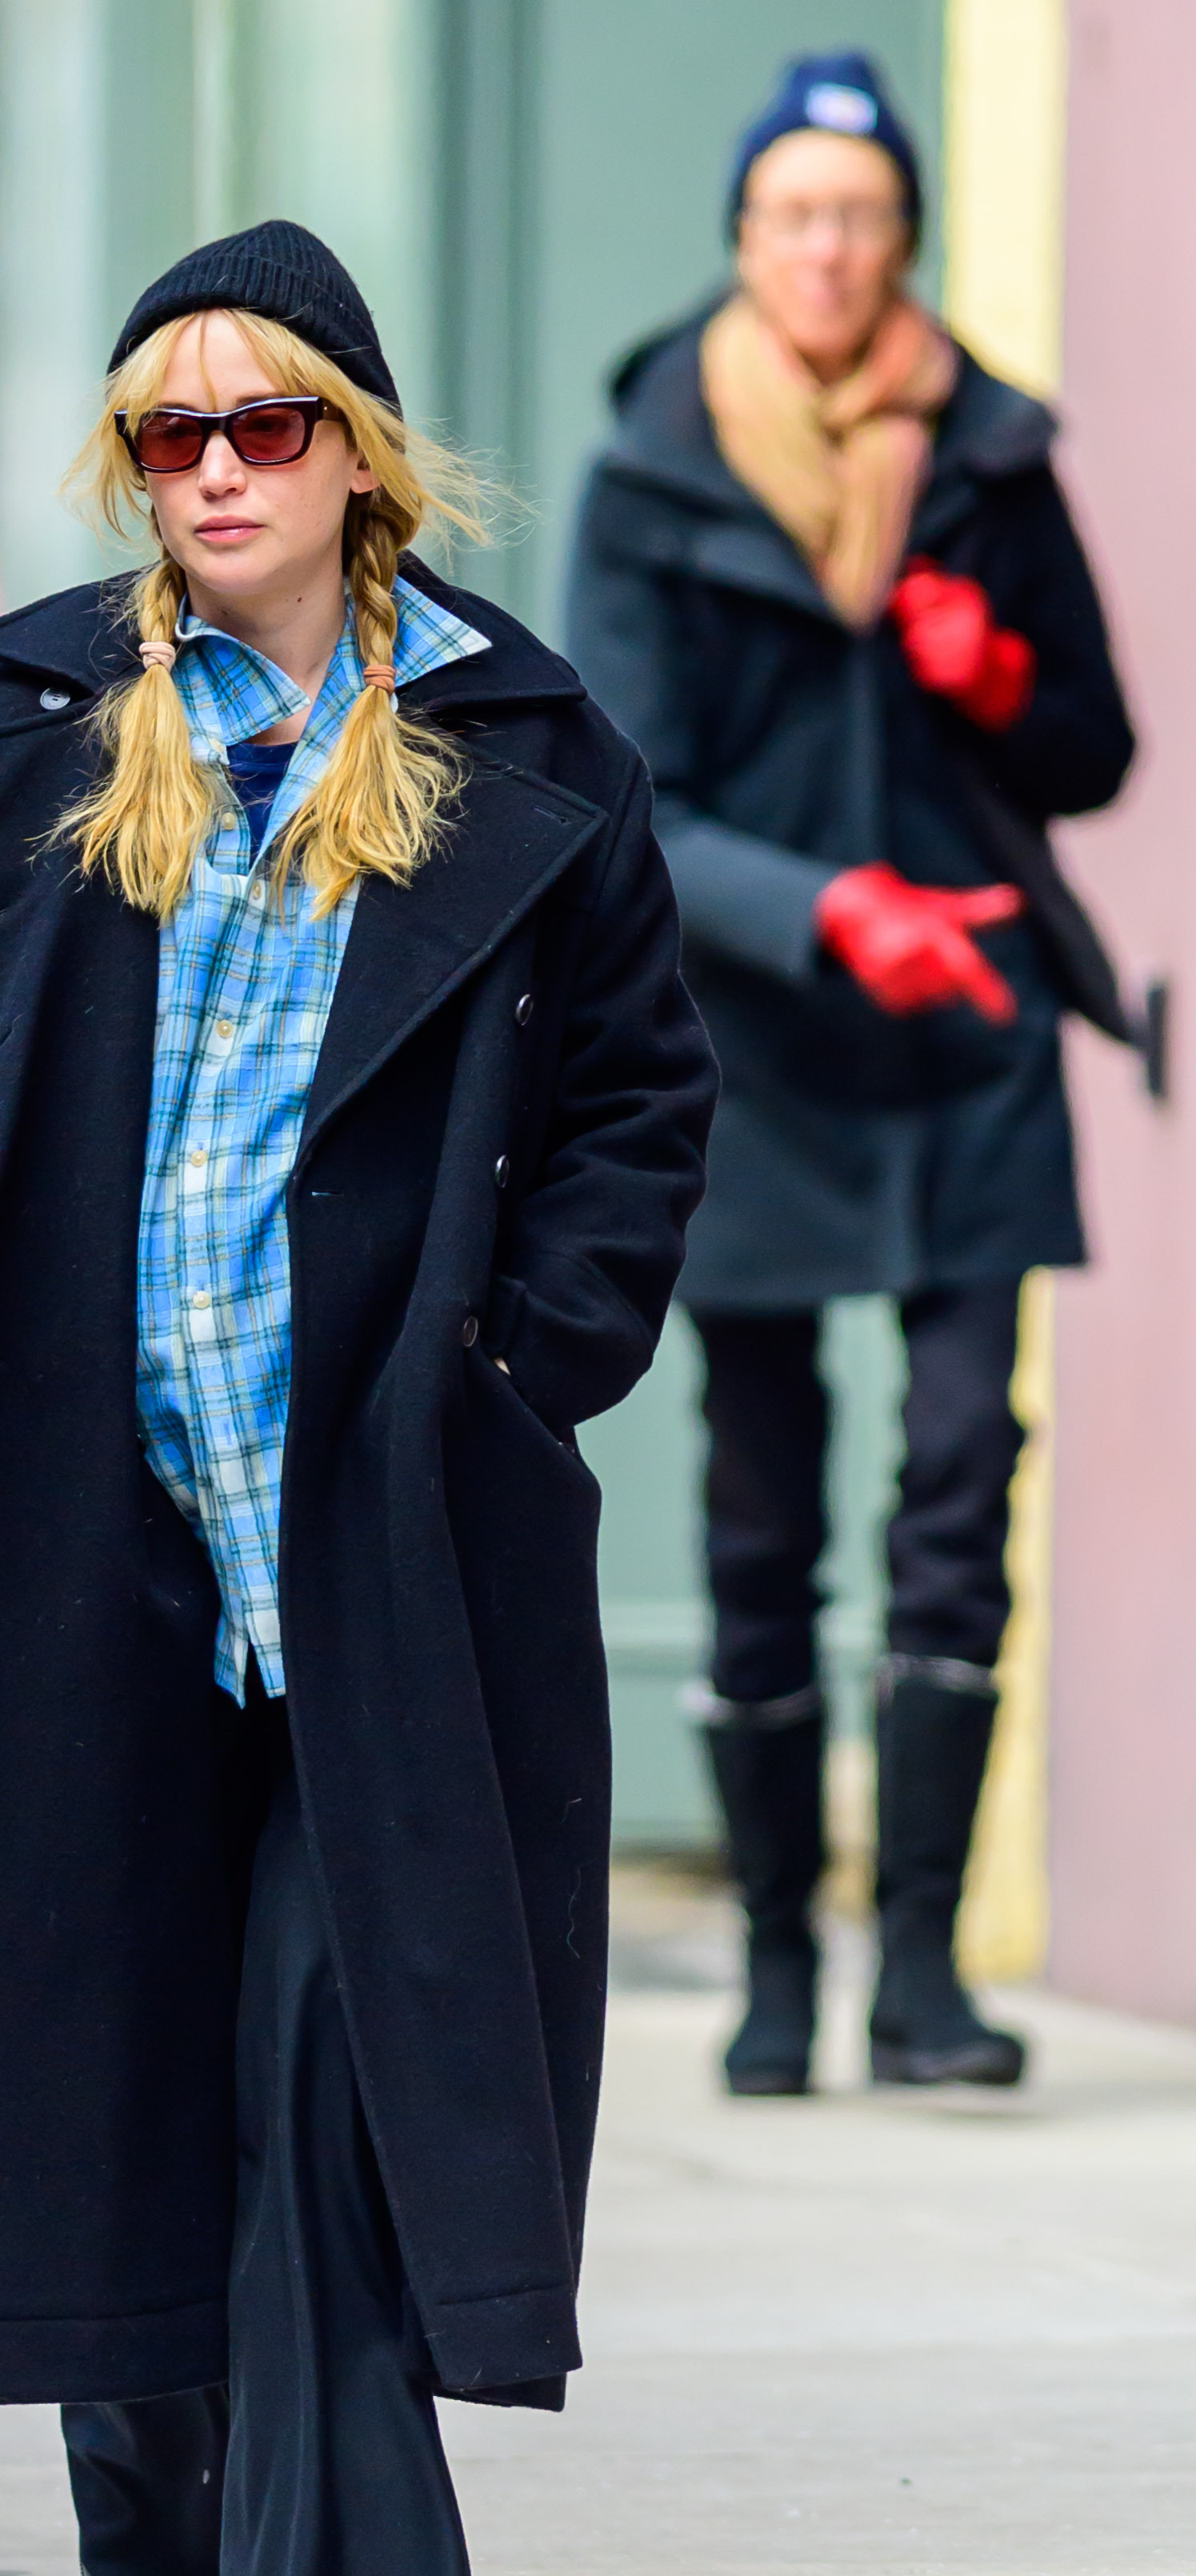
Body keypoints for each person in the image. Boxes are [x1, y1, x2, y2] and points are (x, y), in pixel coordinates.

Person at [0, 220, 714, 2576]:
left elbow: (639, 1111)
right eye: (168, 435)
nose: (216, 471)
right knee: (123, 2044)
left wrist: (513, 1367)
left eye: (267, 426)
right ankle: (160, 2476)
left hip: (388, 1536)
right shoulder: (30, 742)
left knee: (335, 2064)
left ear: (360, 451)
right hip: (95, 1524)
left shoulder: (519, 751)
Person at [568, 53, 1136, 2102]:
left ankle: (919, 1973)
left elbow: (1096, 752)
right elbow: (626, 797)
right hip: (766, 1046)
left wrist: (1005, 679)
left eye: (865, 219)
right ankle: (778, 1976)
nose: (830, 252)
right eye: (797, 217)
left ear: (904, 242)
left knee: (966, 1474)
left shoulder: (987, 450)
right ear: (745, 239)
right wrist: (829, 914)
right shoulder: (653, 467)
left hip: (971, 1031)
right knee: (759, 1502)